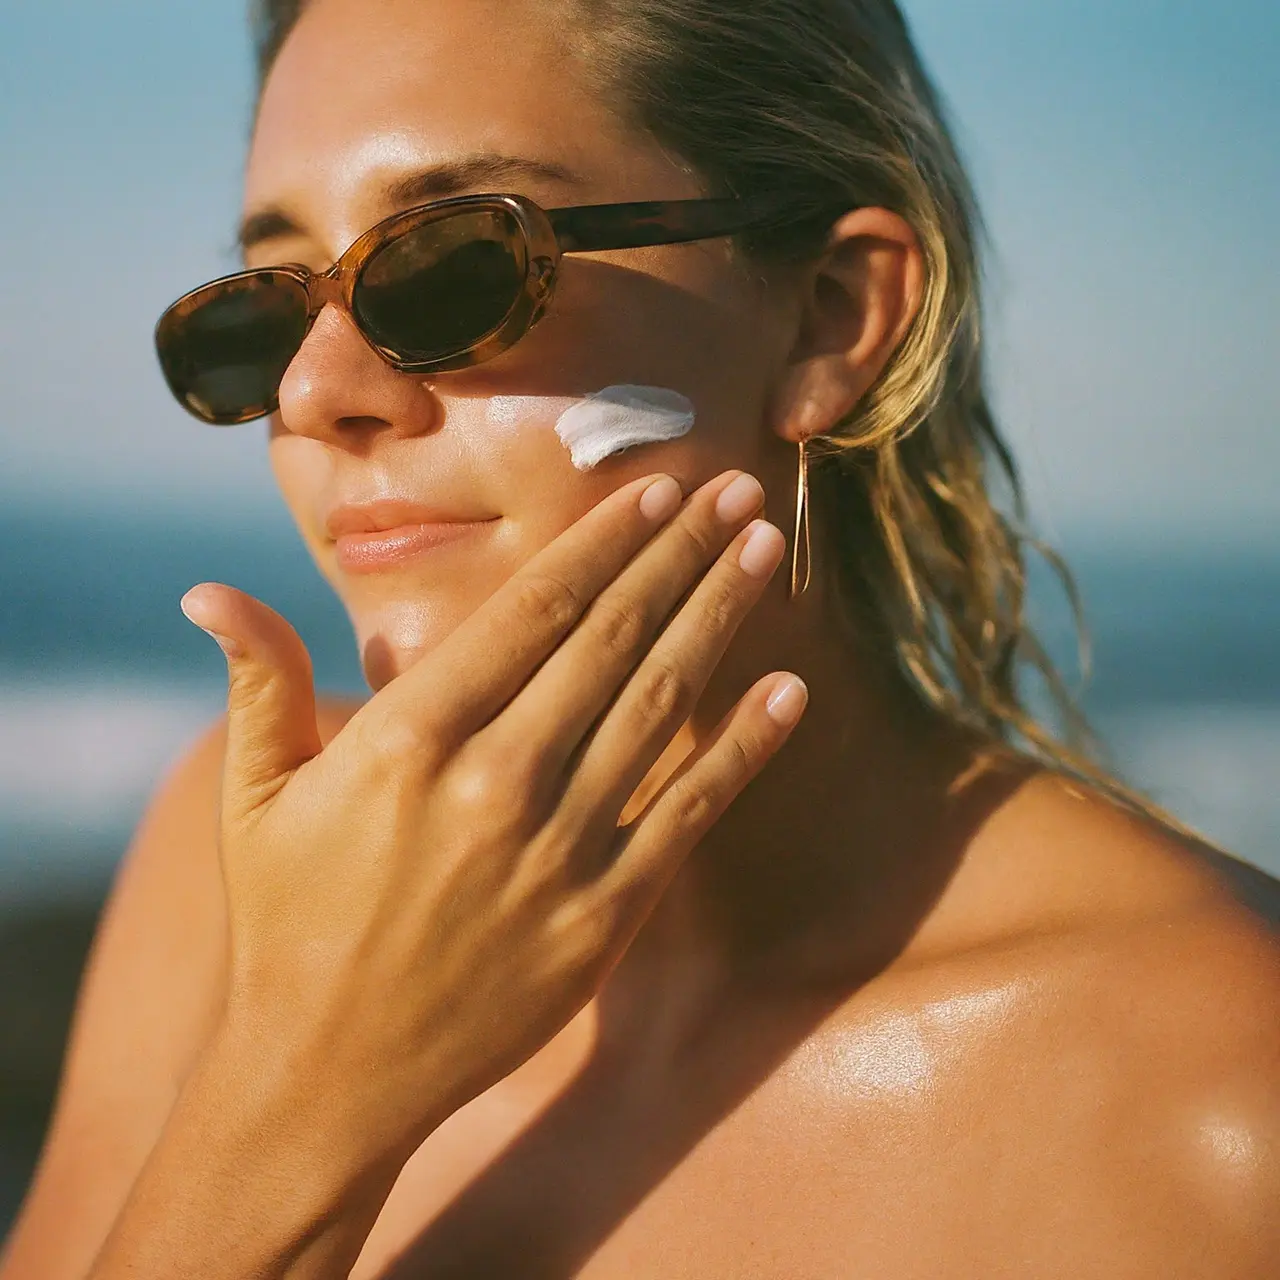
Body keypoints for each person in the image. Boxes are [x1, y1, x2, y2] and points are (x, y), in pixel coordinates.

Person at [3, 0, 1278, 1275]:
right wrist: (298, 1096)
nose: (311, 393)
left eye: (451, 264)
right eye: (265, 314)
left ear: (829, 317)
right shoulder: (227, 882)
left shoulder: (1219, 1097)